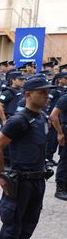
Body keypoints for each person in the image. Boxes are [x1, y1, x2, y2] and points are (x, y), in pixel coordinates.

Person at [0, 76, 55, 239]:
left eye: (47, 92)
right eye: (42, 93)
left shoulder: (42, 118)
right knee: (13, 221)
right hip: (20, 179)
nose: (47, 96)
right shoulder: (19, 120)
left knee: (30, 221)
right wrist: (2, 175)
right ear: (28, 94)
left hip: (37, 179)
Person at [50, 72, 67, 200]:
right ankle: (60, 188)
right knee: (65, 160)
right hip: (66, 130)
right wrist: (60, 133)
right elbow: (53, 116)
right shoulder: (65, 97)